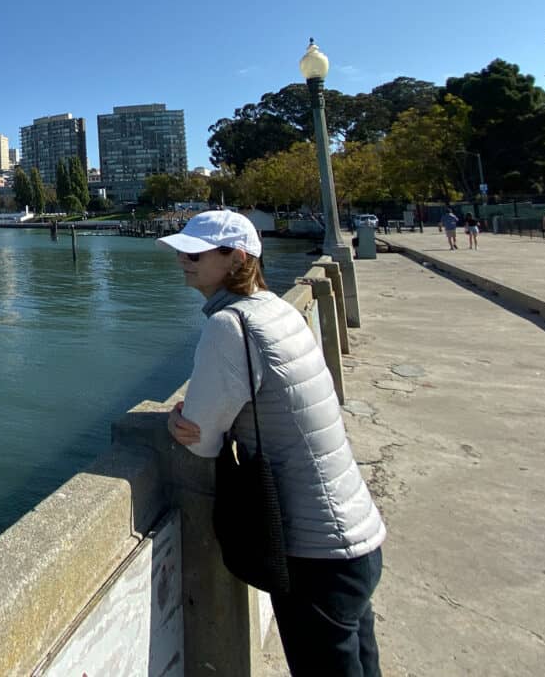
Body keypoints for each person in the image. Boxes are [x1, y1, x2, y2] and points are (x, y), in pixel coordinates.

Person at [160, 211, 386, 676]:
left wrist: (175, 423)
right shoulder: (278, 310)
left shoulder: (230, 326)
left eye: (195, 253)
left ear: (236, 258)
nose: (183, 260)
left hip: (312, 548)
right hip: (355, 531)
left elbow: (200, 440)